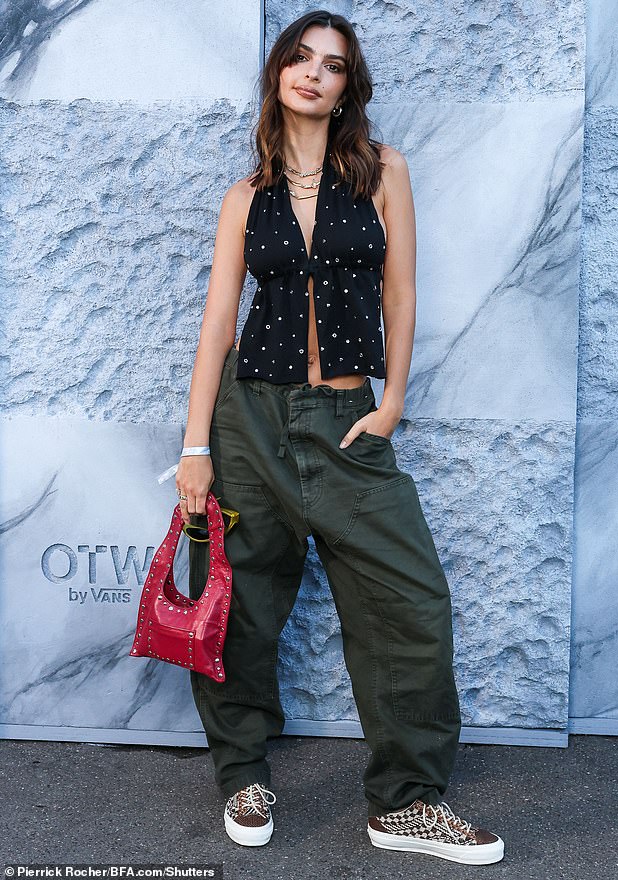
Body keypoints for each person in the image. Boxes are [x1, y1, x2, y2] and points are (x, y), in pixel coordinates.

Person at [176, 10, 504, 867]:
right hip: (249, 420)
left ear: (348, 87)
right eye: (300, 58)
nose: (313, 74)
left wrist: (391, 403)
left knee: (409, 603)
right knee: (241, 608)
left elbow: (402, 295)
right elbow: (217, 325)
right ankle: (242, 771)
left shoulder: (382, 171)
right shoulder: (244, 198)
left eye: (333, 65)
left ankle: (403, 803)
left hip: (347, 419)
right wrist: (195, 447)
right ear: (279, 73)